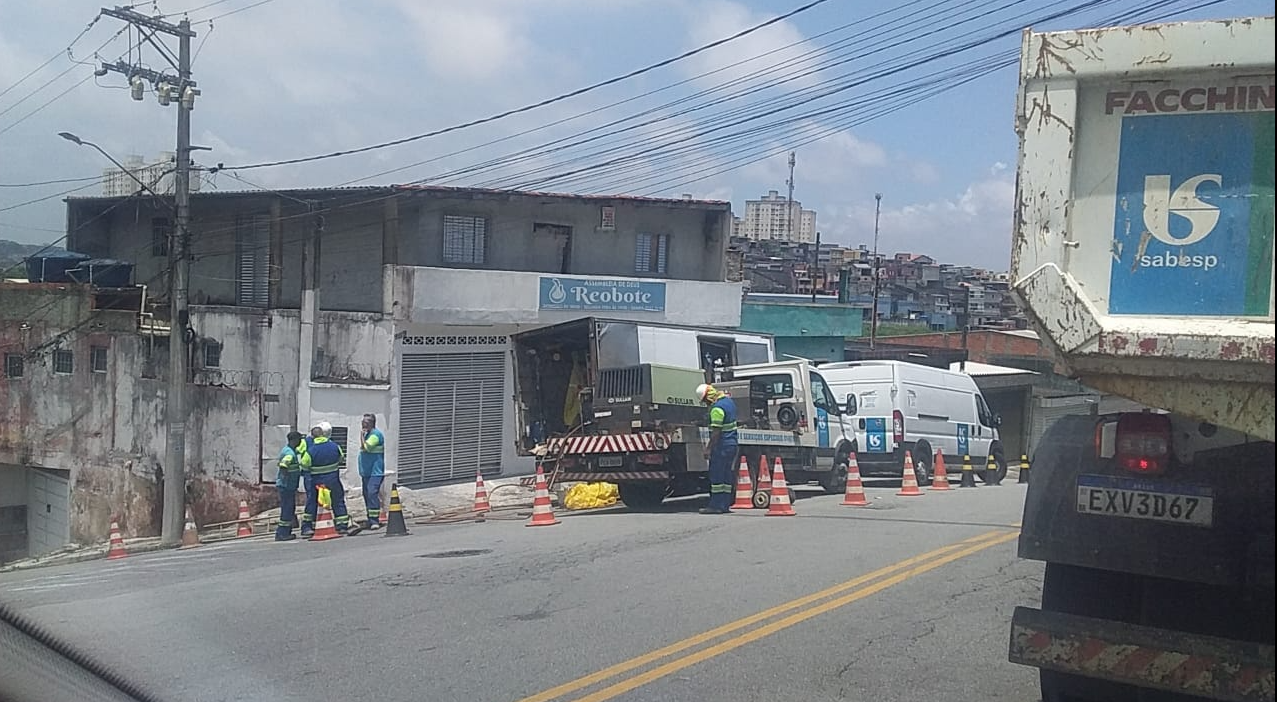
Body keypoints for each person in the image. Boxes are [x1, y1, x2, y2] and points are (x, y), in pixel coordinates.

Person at [300, 421, 350, 536]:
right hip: (333, 480)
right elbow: (341, 458)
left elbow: (304, 464)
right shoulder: (334, 446)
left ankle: (308, 526)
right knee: (337, 500)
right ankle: (342, 525)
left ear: (313, 437)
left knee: (312, 502)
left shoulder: (311, 450)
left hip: (317, 482)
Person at [696, 383, 739, 514]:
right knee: (726, 476)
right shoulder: (729, 402)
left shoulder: (717, 408)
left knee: (717, 477)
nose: (706, 404)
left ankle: (715, 506)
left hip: (721, 446)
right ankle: (724, 505)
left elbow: (716, 432)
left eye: (704, 401)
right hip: (732, 444)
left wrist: (708, 448)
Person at [275, 431, 306, 541]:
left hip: (288, 486)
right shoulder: (289, 454)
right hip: (287, 486)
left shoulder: (290, 450)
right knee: (287, 509)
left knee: (289, 508)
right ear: (294, 440)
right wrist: (286, 478)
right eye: (299, 440)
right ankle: (282, 533)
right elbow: (284, 465)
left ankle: (286, 531)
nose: (300, 442)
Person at [358, 413, 386, 530]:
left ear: (370, 423)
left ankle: (375, 520)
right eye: (362, 422)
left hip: (375, 472)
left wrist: (362, 437)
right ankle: (370, 518)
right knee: (366, 495)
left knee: (371, 493)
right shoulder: (369, 434)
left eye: (365, 422)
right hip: (366, 472)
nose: (362, 424)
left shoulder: (375, 435)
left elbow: (367, 447)